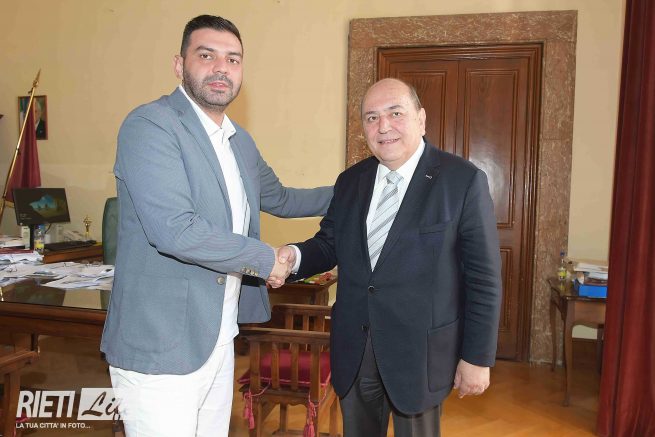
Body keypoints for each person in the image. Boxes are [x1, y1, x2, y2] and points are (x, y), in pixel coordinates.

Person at [99, 15, 332, 437]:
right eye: (206, 56)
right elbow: (176, 230)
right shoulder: (150, 125)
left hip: (219, 337)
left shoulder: (239, 140)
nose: (221, 68)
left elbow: (281, 198)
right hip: (160, 344)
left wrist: (358, 189)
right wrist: (266, 259)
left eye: (233, 59)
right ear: (179, 64)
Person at [275, 78, 503, 436]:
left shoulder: (462, 181)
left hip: (421, 356)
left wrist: (477, 357)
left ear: (421, 119)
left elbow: (483, 279)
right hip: (356, 350)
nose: (383, 126)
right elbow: (328, 244)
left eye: (395, 113)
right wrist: (293, 256)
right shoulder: (351, 181)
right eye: (372, 117)